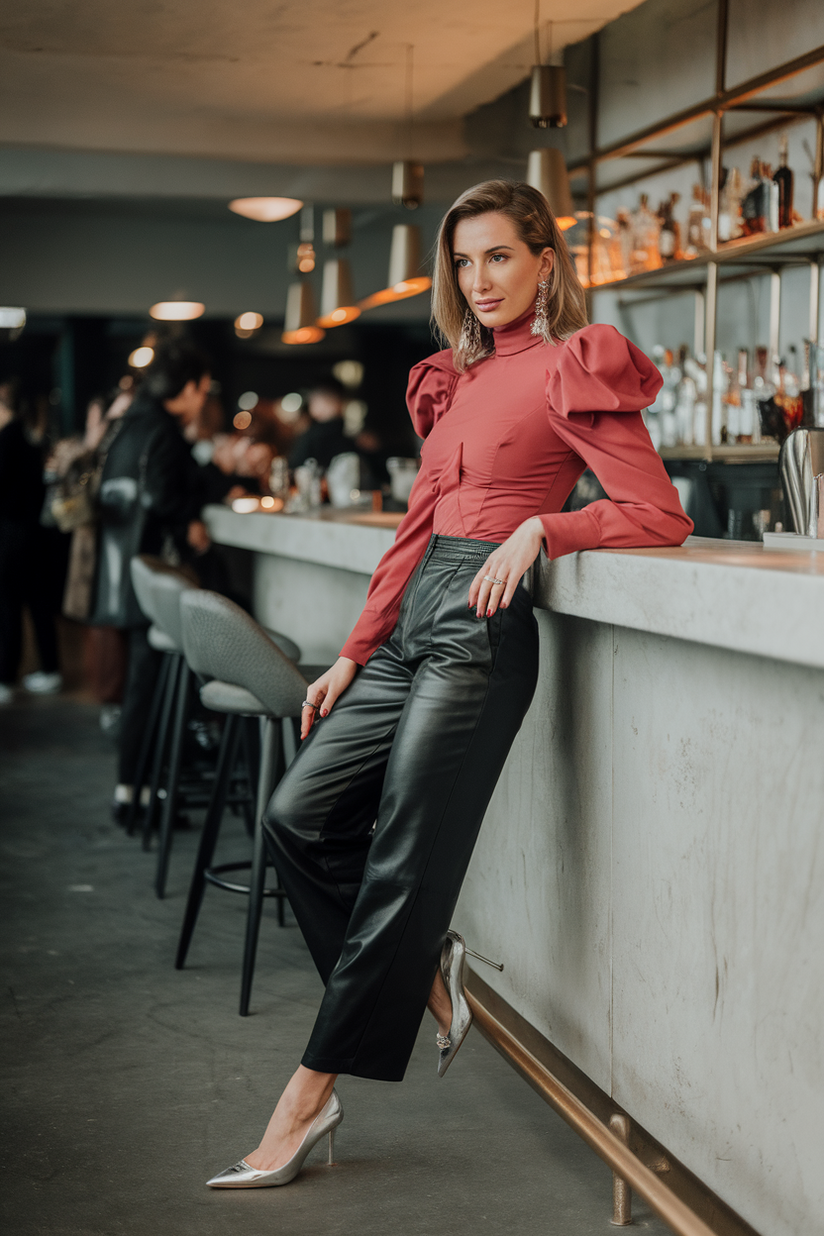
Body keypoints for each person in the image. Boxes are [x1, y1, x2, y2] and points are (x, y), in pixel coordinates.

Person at [206, 180, 693, 1189]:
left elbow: (655, 513)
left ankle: (306, 1098)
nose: (477, 282)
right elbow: (414, 526)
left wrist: (542, 526)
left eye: (498, 258)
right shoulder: (451, 378)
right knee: (296, 815)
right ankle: (425, 970)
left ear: (543, 262)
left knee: (398, 862)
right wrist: (351, 650)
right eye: (463, 263)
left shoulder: (573, 365)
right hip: (410, 623)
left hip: (479, 636)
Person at [88, 340, 212, 820]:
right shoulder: (162, 430)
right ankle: (137, 796)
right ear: (184, 389)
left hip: (123, 572)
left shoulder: (128, 426)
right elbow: (165, 497)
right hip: (149, 578)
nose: (202, 398)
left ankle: (135, 792)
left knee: (143, 688)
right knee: (146, 686)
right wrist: (190, 522)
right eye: (201, 389)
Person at [0, 380, 62, 702]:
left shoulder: (8, 437)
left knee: (8, 605)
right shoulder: (30, 436)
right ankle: (51, 669)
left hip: (12, 534)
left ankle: (6, 677)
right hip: (35, 533)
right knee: (37, 603)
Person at [287, 377, 353, 471]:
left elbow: (293, 469)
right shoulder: (349, 439)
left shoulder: (312, 436)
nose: (310, 402)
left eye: (313, 397)